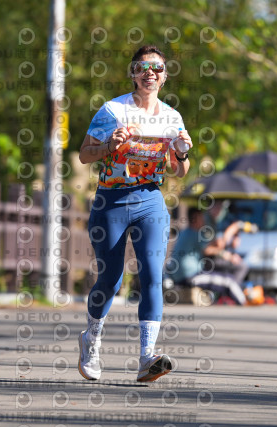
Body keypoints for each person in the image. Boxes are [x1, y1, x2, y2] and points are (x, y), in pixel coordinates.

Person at [77, 45, 192, 382]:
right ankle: (91, 340)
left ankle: (146, 357)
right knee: (110, 279)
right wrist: (108, 146)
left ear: (165, 76)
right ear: (133, 73)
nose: (150, 73)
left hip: (150, 201)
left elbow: (178, 170)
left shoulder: (171, 118)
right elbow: (84, 155)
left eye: (157, 68)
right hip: (111, 201)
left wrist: (182, 153)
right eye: (142, 67)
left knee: (152, 276)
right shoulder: (113, 110)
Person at [166, 205, 251, 305]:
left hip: (180, 277)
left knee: (219, 277)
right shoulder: (194, 233)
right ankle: (245, 304)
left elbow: (211, 244)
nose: (203, 221)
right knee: (229, 282)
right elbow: (208, 250)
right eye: (201, 218)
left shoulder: (186, 232)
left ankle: (224, 300)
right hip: (191, 276)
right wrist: (228, 253)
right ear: (195, 219)